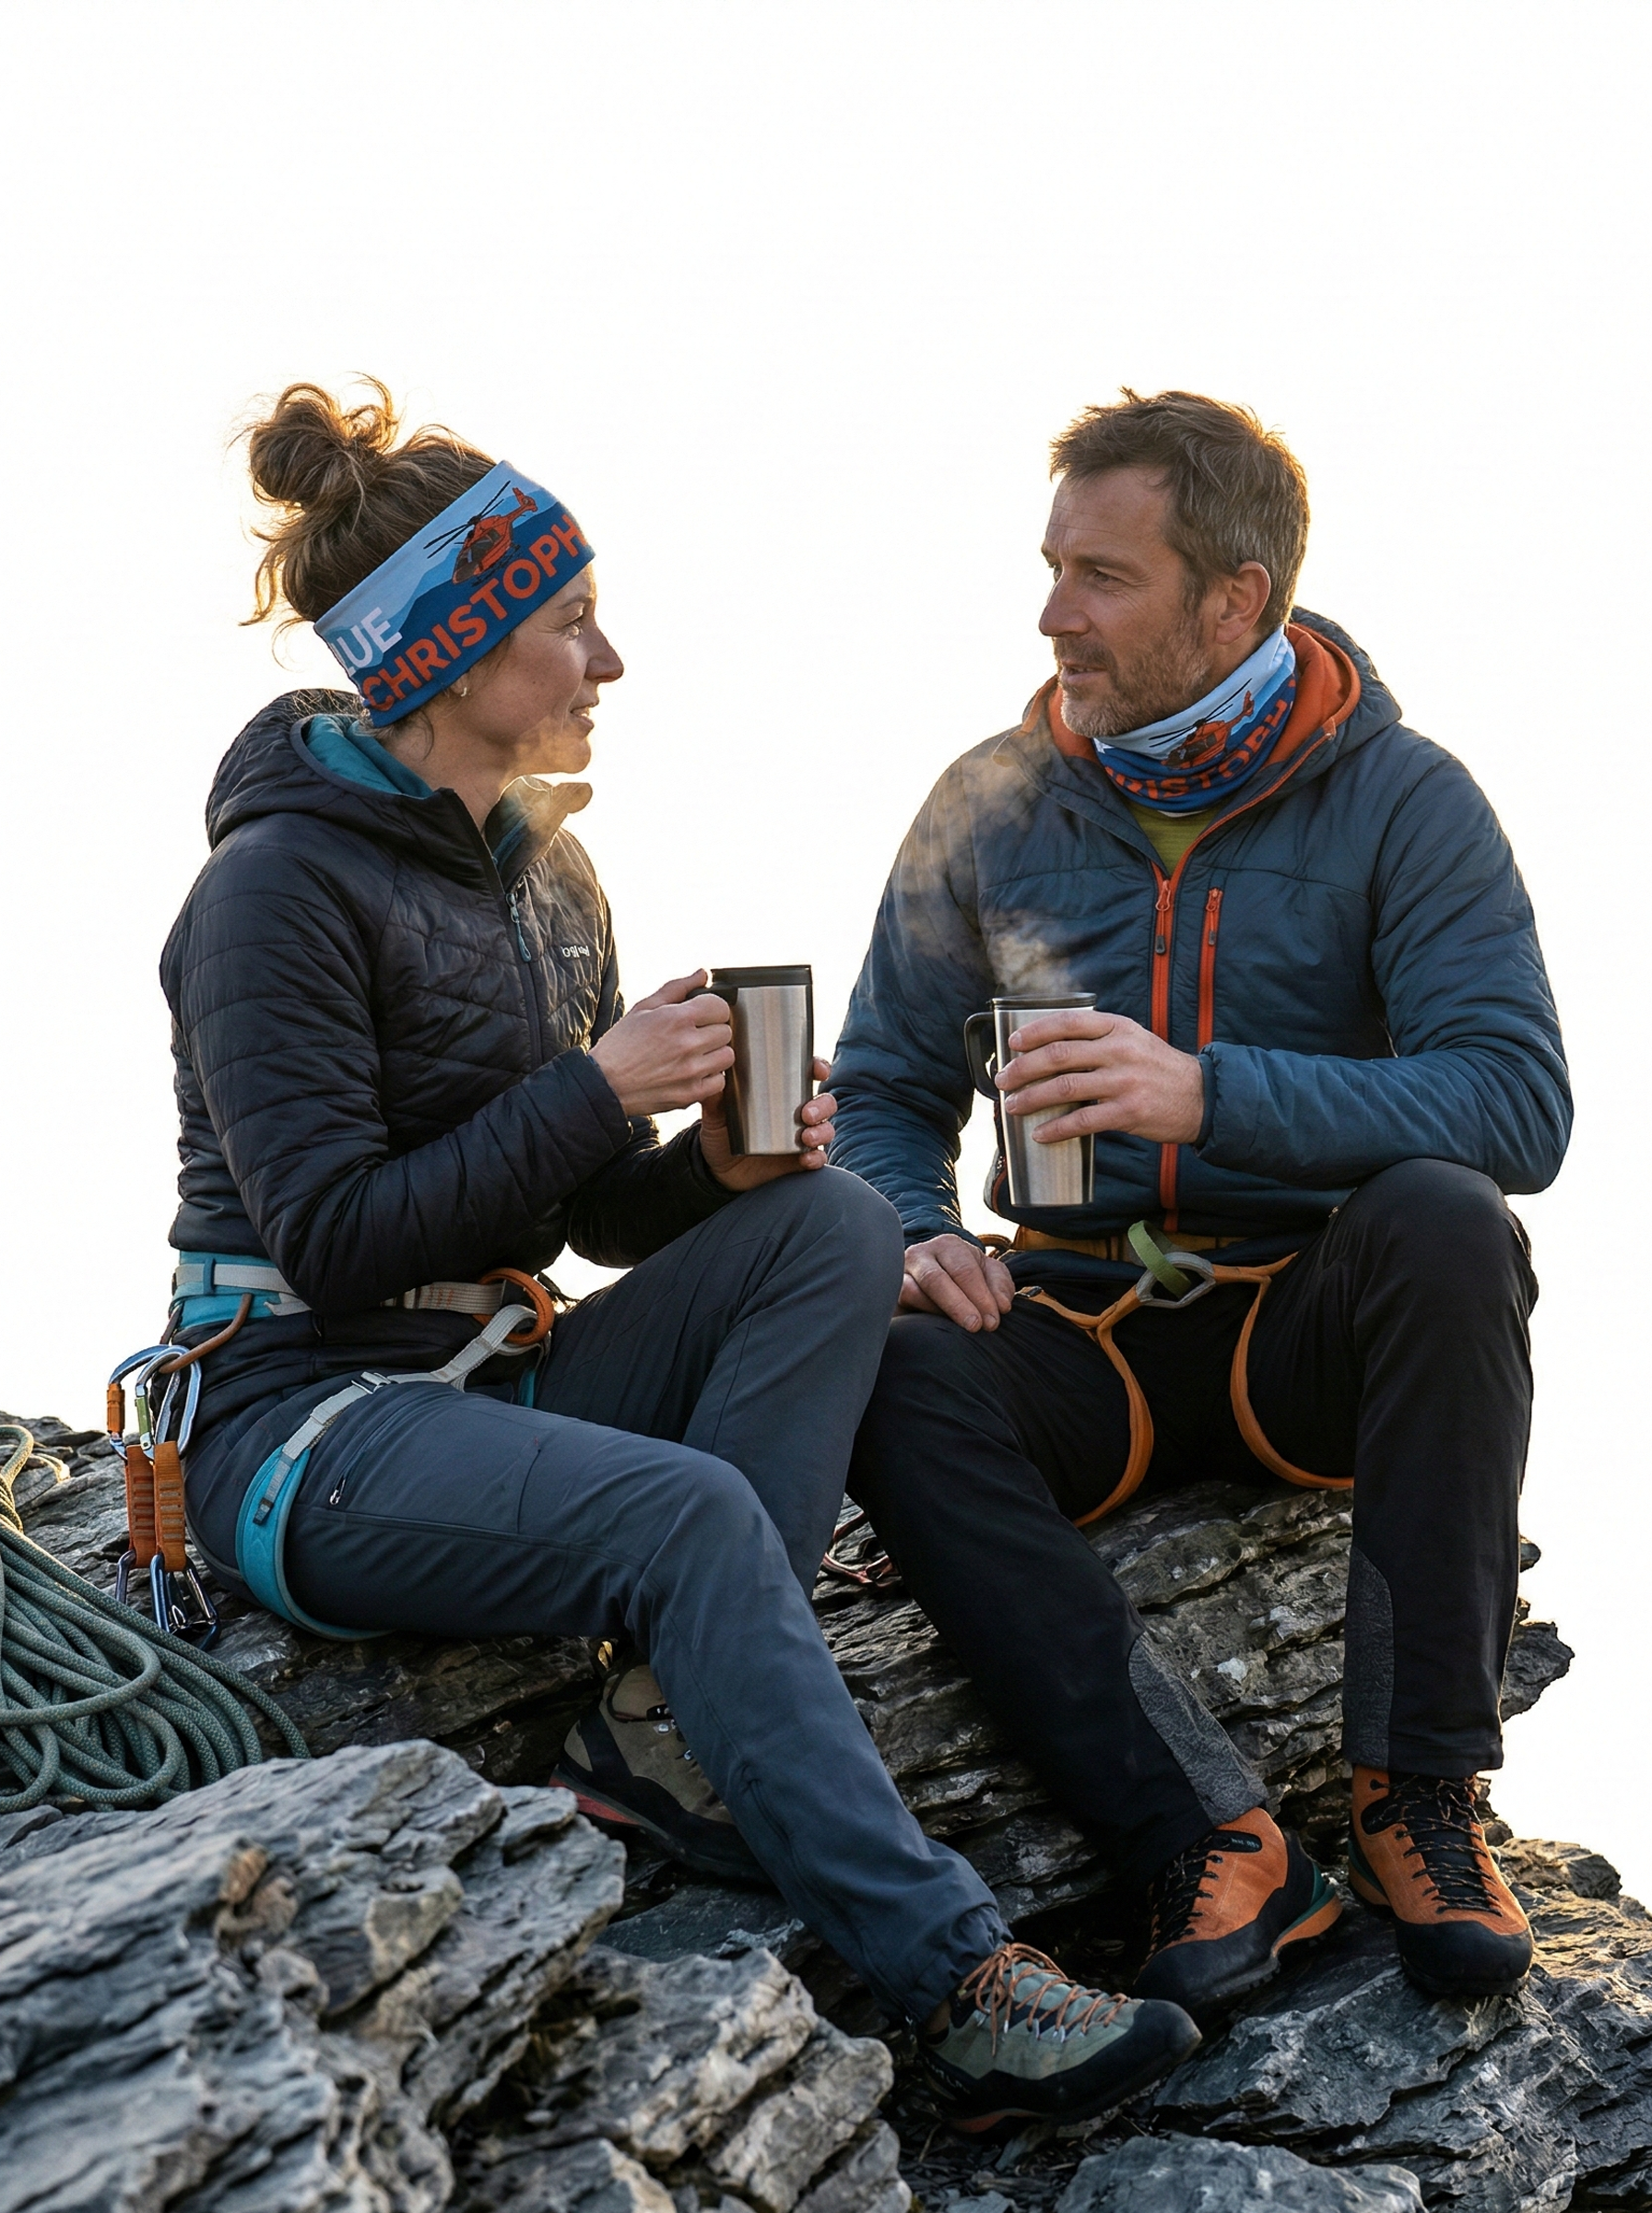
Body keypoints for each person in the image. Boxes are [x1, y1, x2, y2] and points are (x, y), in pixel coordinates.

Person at [158, 379, 1202, 2132]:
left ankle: (656, 1736)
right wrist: (589, 1087)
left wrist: (708, 1166)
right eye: (570, 624)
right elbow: (331, 1237)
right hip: (300, 1422)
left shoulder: (548, 881)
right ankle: (959, 1980)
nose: (608, 662)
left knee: (833, 1217)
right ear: (452, 651)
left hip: (499, 1364)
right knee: (693, 1515)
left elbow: (569, 1216)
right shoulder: (273, 892)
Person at [832, 389, 1571, 2017]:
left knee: (1455, 1221)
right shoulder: (990, 795)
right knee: (880, 1354)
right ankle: (1214, 1842)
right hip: (1079, 1328)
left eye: (1103, 576)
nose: (1052, 614)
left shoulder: (1407, 800)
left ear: (1235, 598)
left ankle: (1419, 1798)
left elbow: (1518, 1103)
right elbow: (882, 1089)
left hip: (1307, 1324)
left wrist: (1209, 1090)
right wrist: (915, 1225)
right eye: (1051, 569)